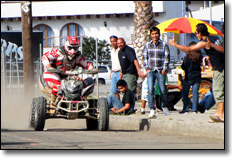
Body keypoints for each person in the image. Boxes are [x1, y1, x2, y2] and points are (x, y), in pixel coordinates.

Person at [169, 23, 224, 122]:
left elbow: (188, 49)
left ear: (200, 33)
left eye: (196, 33)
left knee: (218, 92)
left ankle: (220, 114)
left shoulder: (205, 42)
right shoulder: (215, 38)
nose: (196, 35)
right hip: (221, 67)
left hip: (220, 69)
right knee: (217, 91)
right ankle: (219, 113)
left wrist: (174, 44)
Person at [42, 36, 95, 106]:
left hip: (67, 76)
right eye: (70, 48)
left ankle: (81, 102)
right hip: (53, 73)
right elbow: (45, 57)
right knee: (58, 87)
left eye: (75, 48)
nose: (73, 50)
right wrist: (49, 66)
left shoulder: (78, 56)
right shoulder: (58, 52)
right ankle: (53, 103)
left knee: (81, 85)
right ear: (66, 46)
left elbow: (87, 64)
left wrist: (92, 69)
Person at [142, 26, 170, 117]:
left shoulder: (164, 44)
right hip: (151, 71)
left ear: (159, 34)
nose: (154, 36)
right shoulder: (147, 45)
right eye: (153, 34)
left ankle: (165, 106)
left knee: (162, 89)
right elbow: (145, 57)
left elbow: (167, 57)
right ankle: (152, 109)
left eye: (156, 34)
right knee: (150, 90)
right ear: (150, 35)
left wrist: (164, 68)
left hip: (160, 70)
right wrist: (147, 68)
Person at [179, 42, 203, 114]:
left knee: (185, 92)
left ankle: (185, 109)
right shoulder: (199, 57)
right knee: (195, 93)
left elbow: (183, 67)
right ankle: (194, 109)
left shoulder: (187, 57)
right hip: (197, 76)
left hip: (188, 77)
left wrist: (182, 63)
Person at [109, 35, 121, 99]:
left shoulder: (120, 50)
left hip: (120, 72)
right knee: (113, 90)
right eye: (111, 41)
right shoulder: (112, 51)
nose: (113, 43)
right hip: (114, 72)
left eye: (114, 41)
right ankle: (118, 105)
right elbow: (113, 63)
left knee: (122, 89)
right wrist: (111, 72)